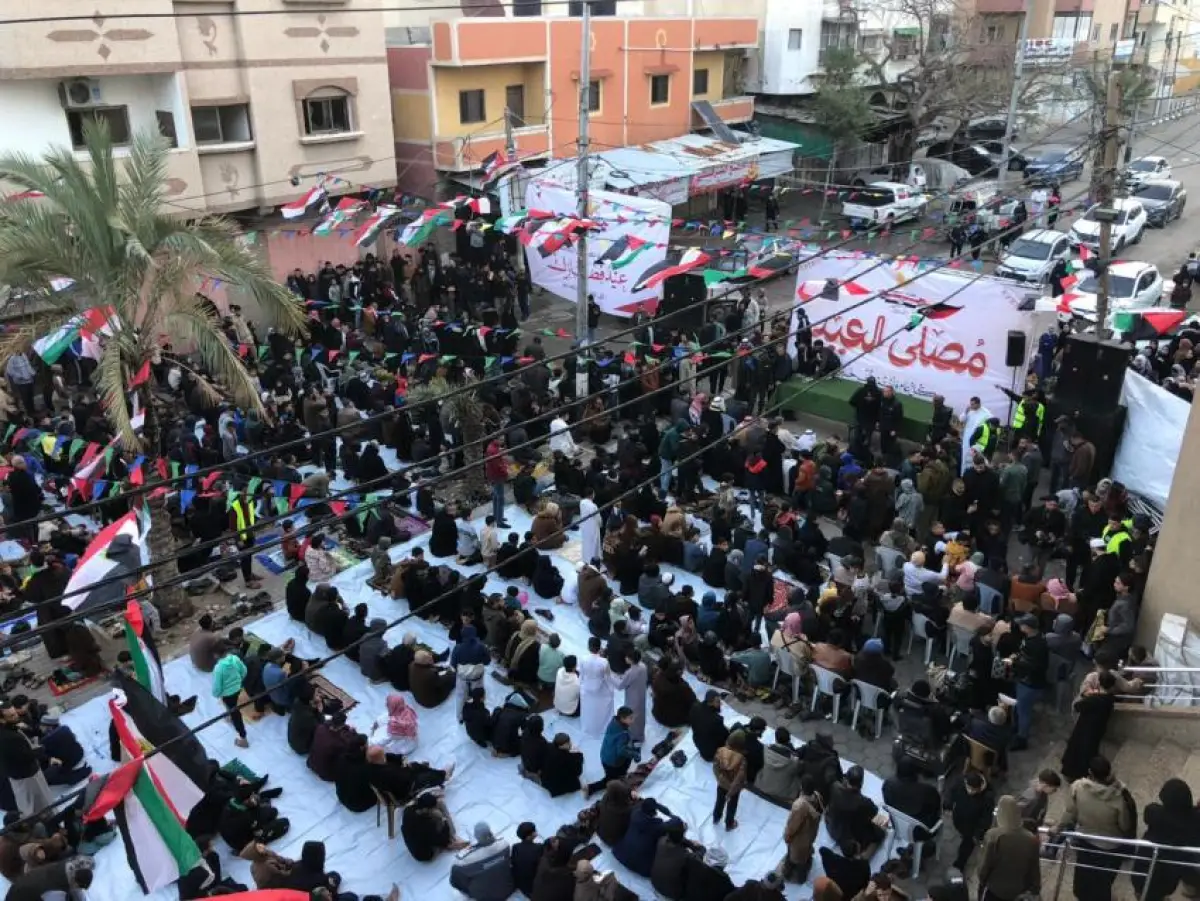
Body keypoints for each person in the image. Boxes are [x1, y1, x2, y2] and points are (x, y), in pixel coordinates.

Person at [1054, 755, 1135, 901]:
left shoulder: (1077, 787)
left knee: (1084, 873)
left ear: (1090, 772)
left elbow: (1070, 812)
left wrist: (1058, 827)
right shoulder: (1118, 799)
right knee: (1104, 879)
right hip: (1110, 846)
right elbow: (1125, 826)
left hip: (1085, 839)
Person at [1130, 779, 1200, 901]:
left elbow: (1149, 810)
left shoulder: (1157, 816)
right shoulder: (1194, 819)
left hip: (1152, 875)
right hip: (1176, 871)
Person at [977, 795, 1041, 901]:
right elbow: (1034, 866)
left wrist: (982, 879)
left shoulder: (994, 835)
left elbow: (985, 864)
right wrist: (1035, 889)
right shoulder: (1031, 838)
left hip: (995, 888)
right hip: (1018, 889)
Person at [1061, 670, 1117, 783]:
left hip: (1084, 728)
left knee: (1077, 750)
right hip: (1097, 730)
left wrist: (1088, 694)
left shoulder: (1094, 700)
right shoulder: (1109, 699)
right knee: (1090, 751)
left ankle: (1073, 773)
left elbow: (1077, 706)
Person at [826, 765, 885, 856]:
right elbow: (874, 812)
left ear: (846, 779)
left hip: (833, 827)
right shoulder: (864, 802)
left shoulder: (834, 787)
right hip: (849, 836)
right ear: (861, 784)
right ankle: (863, 857)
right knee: (880, 832)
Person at [613, 797, 679, 877]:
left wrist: (656, 805)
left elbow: (642, 804)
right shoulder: (656, 827)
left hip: (622, 855)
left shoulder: (635, 813)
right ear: (654, 812)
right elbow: (676, 821)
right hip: (641, 866)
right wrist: (670, 814)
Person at [449, 822, 514, 901]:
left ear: (476, 837)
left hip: (484, 897)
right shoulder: (504, 845)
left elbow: (455, 882)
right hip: (508, 890)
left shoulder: (463, 861)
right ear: (490, 832)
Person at [401, 790, 469, 862]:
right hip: (426, 854)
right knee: (440, 817)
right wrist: (443, 819)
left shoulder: (408, 810)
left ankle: (451, 838)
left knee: (440, 803)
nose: (435, 808)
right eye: (433, 808)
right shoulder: (426, 825)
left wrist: (432, 798)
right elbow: (443, 839)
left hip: (416, 841)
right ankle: (452, 840)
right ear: (425, 809)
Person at [948, 769, 995, 872]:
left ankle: (960, 864)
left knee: (967, 845)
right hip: (959, 818)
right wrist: (948, 804)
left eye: (974, 790)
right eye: (969, 788)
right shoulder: (960, 782)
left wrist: (978, 834)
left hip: (972, 827)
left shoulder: (987, 797)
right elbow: (951, 792)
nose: (970, 792)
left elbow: (986, 819)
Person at [586, 707, 640, 795]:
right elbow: (621, 751)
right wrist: (634, 754)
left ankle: (620, 775)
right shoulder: (623, 734)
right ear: (622, 718)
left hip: (605, 754)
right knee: (611, 780)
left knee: (626, 759)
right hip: (612, 762)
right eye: (630, 718)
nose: (633, 720)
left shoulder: (614, 722)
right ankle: (590, 788)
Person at [781, 776, 822, 883]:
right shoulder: (817, 796)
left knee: (793, 857)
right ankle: (801, 877)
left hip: (798, 839)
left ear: (801, 787)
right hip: (810, 835)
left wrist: (787, 836)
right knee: (804, 856)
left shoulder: (799, 806)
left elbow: (792, 826)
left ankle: (789, 874)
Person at [212, 643, 249, 748]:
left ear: (215, 655)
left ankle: (243, 738)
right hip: (237, 688)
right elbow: (244, 671)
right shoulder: (235, 659)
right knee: (232, 706)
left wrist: (216, 694)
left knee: (235, 713)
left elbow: (217, 687)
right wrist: (239, 681)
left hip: (227, 694)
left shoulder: (218, 668)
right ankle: (229, 715)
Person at [451, 625, 489, 722]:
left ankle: (460, 717)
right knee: (478, 696)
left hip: (462, 678)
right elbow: (487, 662)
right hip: (477, 678)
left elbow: (453, 664)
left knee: (460, 697)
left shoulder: (457, 648)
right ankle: (478, 716)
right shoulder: (481, 647)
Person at [579, 636, 615, 738]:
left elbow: (581, 674)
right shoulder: (604, 662)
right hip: (599, 689)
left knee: (588, 708)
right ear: (599, 648)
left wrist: (581, 685)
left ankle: (588, 725)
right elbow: (608, 679)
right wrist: (611, 691)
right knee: (603, 705)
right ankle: (601, 725)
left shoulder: (583, 659)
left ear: (588, 647)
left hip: (586, 687)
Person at [712, 730, 748, 831]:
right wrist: (731, 792)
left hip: (722, 784)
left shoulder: (720, 751)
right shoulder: (742, 759)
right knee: (732, 807)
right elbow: (739, 778)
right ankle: (729, 824)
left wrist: (720, 779)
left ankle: (716, 818)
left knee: (719, 802)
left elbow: (715, 768)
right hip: (734, 789)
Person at [689, 689, 729, 762]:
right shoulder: (716, 720)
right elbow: (725, 736)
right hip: (711, 753)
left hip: (700, 746)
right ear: (710, 703)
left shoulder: (694, 708)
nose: (720, 704)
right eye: (718, 702)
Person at [539, 733, 583, 797]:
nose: (570, 744)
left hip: (545, 780)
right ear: (561, 746)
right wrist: (579, 757)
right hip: (556, 788)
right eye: (568, 743)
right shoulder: (566, 758)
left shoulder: (548, 746)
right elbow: (578, 772)